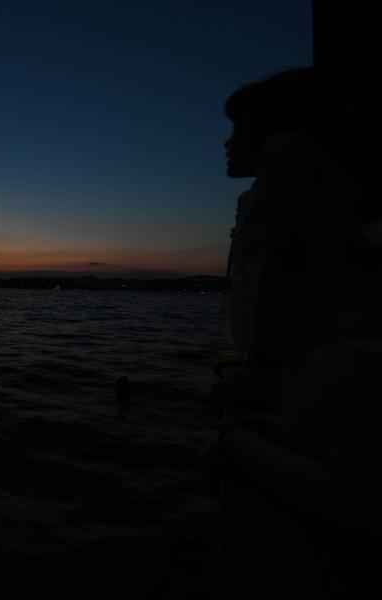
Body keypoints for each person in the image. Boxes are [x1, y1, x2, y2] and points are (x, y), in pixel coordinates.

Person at [202, 67, 382, 598]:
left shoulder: (287, 155)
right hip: (308, 357)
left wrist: (260, 373)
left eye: (239, 127)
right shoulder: (289, 171)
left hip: (323, 361)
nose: (228, 141)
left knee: (353, 498)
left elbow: (286, 264)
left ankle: (237, 447)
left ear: (271, 126)